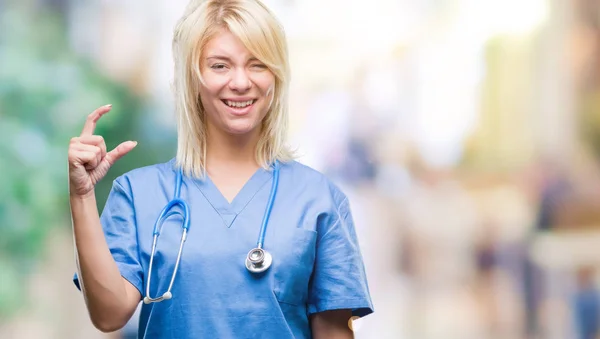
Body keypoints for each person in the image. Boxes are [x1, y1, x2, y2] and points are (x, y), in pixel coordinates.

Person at [67, 0, 373, 338]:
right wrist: (82, 195)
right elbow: (109, 315)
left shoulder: (319, 200)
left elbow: (332, 333)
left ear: (276, 75)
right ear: (193, 78)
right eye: (220, 66)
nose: (240, 82)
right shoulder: (138, 195)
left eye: (257, 64)